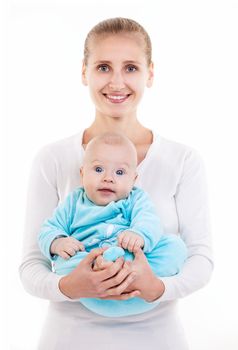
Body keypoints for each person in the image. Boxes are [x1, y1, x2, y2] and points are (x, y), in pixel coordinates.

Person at [19, 17, 213, 350]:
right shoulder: (52, 158)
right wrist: (70, 285)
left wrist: (158, 288)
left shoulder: (183, 161)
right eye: (104, 67)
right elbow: (30, 266)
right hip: (69, 339)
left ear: (150, 73)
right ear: (84, 72)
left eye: (131, 68)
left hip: (157, 338)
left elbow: (201, 258)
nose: (117, 82)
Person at [38, 132, 187, 317]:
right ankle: (104, 268)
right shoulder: (74, 202)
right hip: (91, 275)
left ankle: (125, 271)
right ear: (82, 173)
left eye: (120, 172)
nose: (108, 178)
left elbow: (150, 221)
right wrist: (57, 242)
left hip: (136, 270)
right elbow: (49, 228)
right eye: (99, 169)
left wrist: (139, 234)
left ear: (133, 179)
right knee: (62, 261)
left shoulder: (136, 198)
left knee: (175, 247)